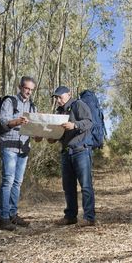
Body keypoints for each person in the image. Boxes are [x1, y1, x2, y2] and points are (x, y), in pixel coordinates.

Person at [49, 85, 95, 227]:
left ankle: (89, 217)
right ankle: (70, 216)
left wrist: (74, 125)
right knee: (68, 187)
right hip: (66, 152)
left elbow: (89, 122)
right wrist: (51, 137)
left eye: (60, 96)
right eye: (56, 97)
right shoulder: (59, 112)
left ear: (69, 94)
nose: (57, 100)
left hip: (81, 150)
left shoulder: (79, 104)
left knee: (85, 185)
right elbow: (58, 134)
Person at [0, 76, 39, 231]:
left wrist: (40, 134)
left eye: (31, 89)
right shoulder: (10, 102)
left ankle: (13, 215)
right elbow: (4, 121)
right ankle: (3, 219)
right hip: (9, 145)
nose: (28, 92)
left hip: (24, 148)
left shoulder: (33, 107)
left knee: (17, 182)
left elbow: (34, 130)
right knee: (8, 181)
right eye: (26, 88)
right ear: (20, 87)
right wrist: (18, 121)